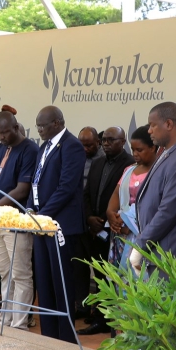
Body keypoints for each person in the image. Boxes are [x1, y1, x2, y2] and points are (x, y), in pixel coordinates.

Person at [30, 105, 86, 342]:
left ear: (58, 123)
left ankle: (65, 338)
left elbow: (66, 187)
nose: (40, 130)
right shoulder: (44, 146)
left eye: (43, 125)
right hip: (41, 222)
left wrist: (43, 214)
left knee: (61, 283)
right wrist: (31, 209)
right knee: (44, 281)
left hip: (59, 225)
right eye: (38, 126)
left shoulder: (72, 146)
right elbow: (37, 182)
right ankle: (49, 336)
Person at [0, 110, 39, 330]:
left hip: (16, 222)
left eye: (6, 132)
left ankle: (20, 324)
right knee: (5, 273)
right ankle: (6, 318)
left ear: (16, 127)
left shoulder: (29, 150)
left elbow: (22, 189)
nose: (3, 136)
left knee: (21, 274)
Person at [78, 125, 134, 335]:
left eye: (112, 140)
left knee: (112, 276)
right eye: (105, 140)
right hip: (94, 227)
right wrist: (90, 217)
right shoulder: (98, 162)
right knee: (100, 275)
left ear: (123, 141)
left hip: (116, 228)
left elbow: (126, 198)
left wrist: (106, 218)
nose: (107, 143)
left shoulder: (130, 164)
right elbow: (87, 193)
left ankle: (109, 319)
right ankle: (100, 317)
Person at [133, 102, 176, 263]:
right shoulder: (168, 151)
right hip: (160, 246)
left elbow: (169, 210)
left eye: (153, 125)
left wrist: (141, 244)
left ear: (169, 124)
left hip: (172, 250)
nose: (149, 130)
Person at [105, 125, 158, 273]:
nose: (135, 154)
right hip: (121, 233)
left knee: (139, 277)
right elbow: (117, 193)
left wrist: (131, 225)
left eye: (139, 150)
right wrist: (110, 213)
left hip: (143, 236)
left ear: (153, 147)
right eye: (133, 149)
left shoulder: (159, 172)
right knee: (121, 278)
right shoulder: (129, 170)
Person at [72, 126, 104, 317]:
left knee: (100, 270)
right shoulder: (76, 157)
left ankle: (98, 312)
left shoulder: (103, 160)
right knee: (79, 267)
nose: (85, 149)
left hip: (98, 222)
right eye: (82, 145)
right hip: (79, 220)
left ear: (98, 143)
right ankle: (82, 306)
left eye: (89, 145)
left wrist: (93, 218)